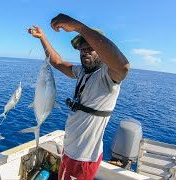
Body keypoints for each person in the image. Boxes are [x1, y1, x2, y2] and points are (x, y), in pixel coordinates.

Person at [27, 13, 130, 180]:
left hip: (83, 159)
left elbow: (123, 67)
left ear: (102, 51)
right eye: (82, 49)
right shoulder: (81, 72)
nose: (84, 52)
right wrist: (42, 37)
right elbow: (58, 62)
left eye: (90, 47)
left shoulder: (108, 78)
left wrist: (79, 27)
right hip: (70, 151)